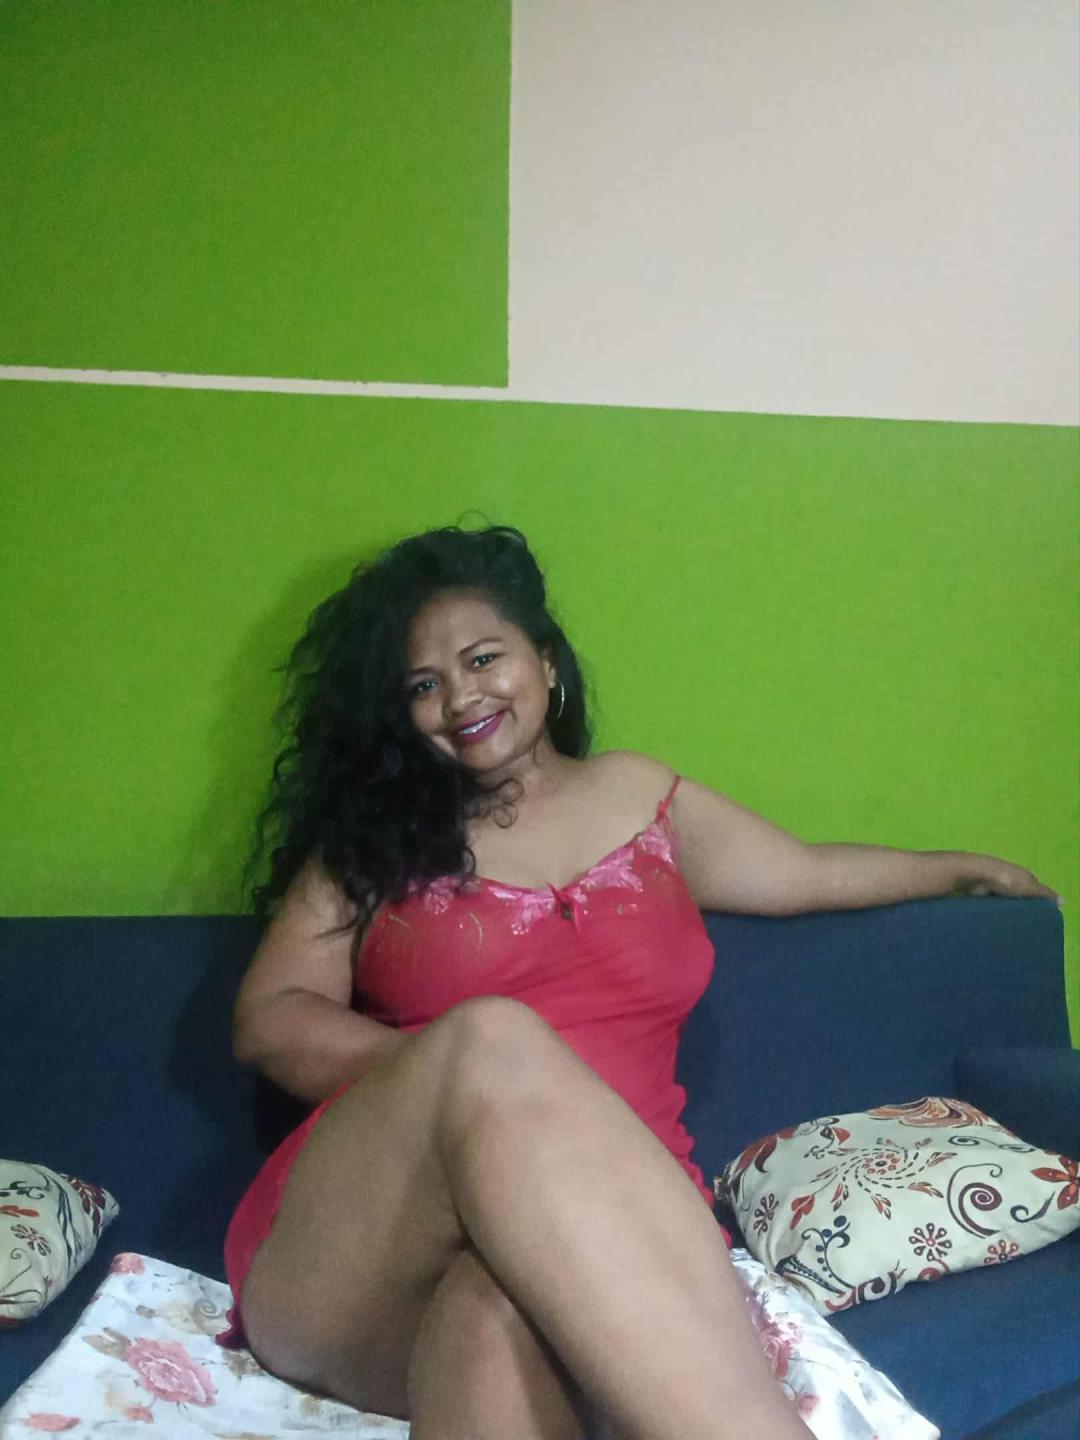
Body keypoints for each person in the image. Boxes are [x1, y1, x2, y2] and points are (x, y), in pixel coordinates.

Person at [218, 523, 1058, 1440]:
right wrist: (463, 1081)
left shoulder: (640, 797)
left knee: (497, 1312)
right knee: (495, 1037)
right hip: (363, 1259)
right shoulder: (375, 839)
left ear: (545, 661)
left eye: (483, 658)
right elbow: (269, 1018)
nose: (460, 697)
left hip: (612, 1248)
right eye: (423, 685)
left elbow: (807, 871)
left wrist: (960, 868)